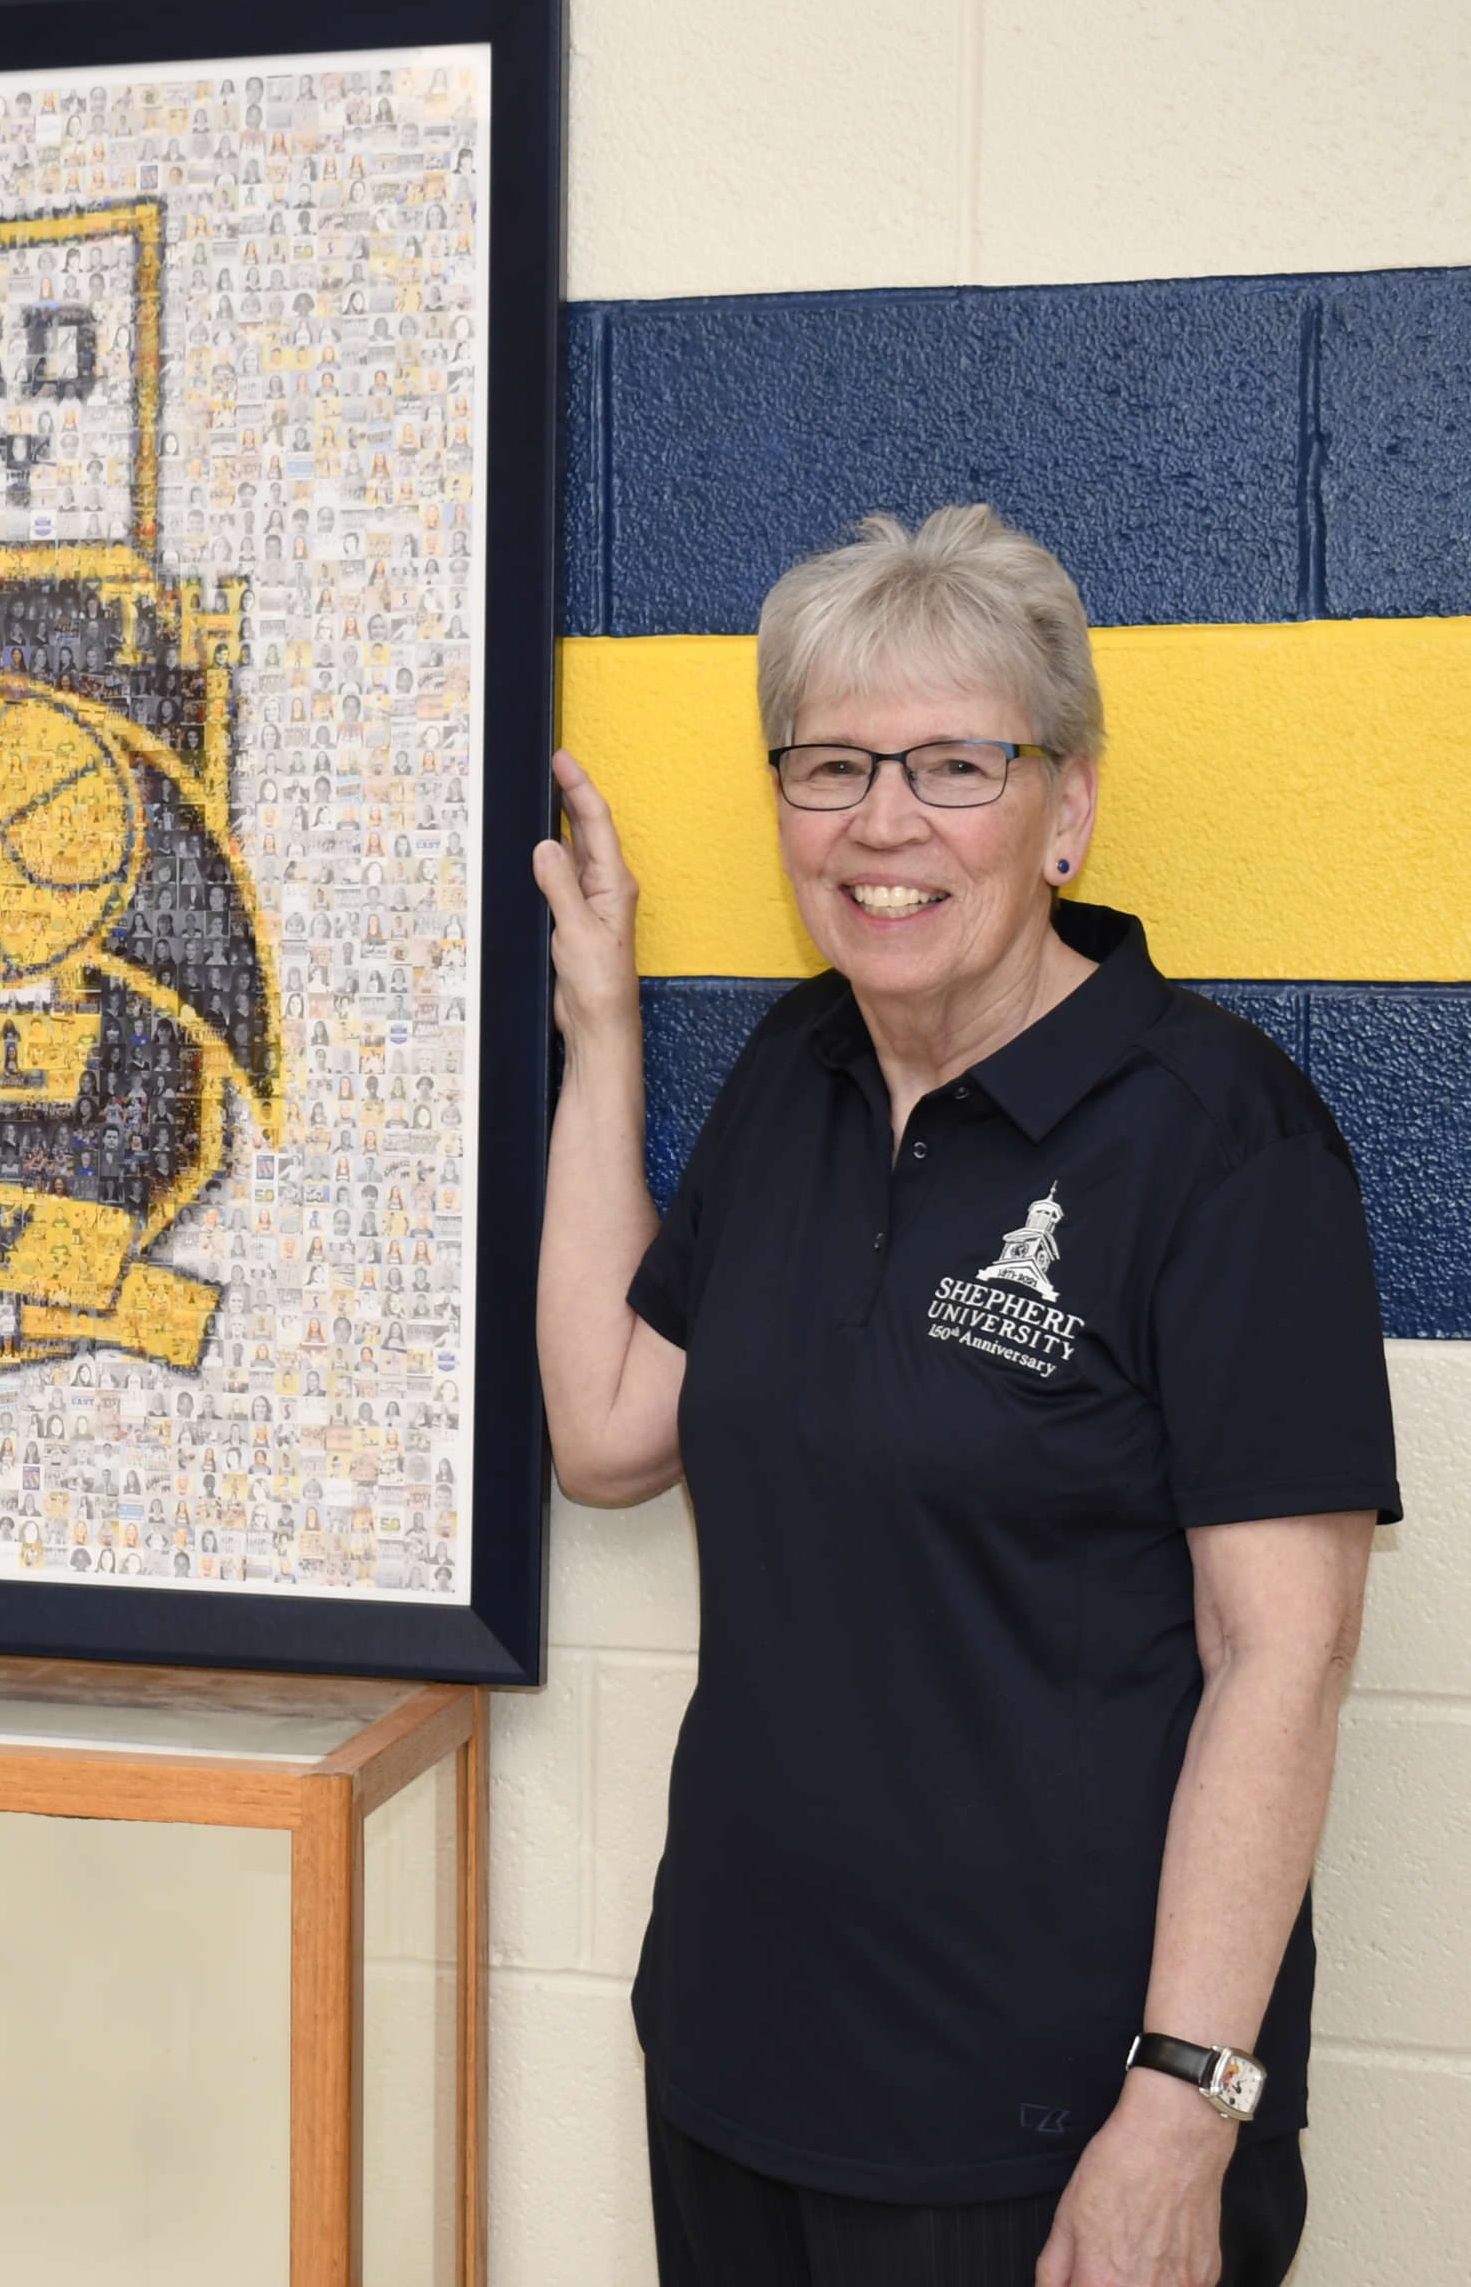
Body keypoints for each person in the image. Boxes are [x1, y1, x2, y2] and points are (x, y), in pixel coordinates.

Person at [533, 506, 1396, 2287]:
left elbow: (1282, 1659)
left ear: (1067, 808)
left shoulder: (1225, 1141)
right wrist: (605, 1033)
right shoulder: (798, 1068)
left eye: (954, 764)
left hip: (1047, 2128)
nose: (882, 823)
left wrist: (1181, 2112)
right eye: (831, 765)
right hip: (736, 2071)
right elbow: (609, 1427)